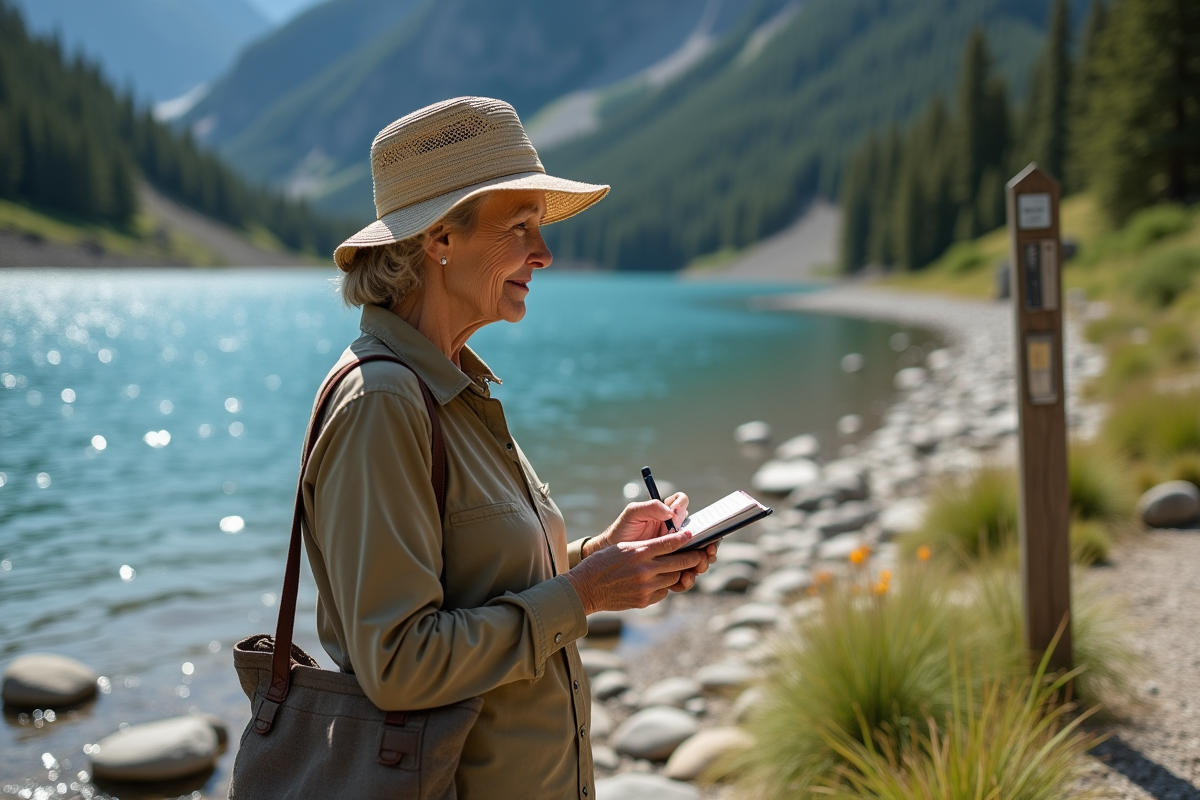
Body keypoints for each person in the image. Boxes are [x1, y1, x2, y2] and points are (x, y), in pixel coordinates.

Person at [301, 96, 718, 799]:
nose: (544, 253)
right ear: (440, 238)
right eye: (520, 226)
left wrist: (604, 557)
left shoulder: (450, 386)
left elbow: (480, 585)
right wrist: (585, 593)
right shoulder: (383, 403)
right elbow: (397, 663)